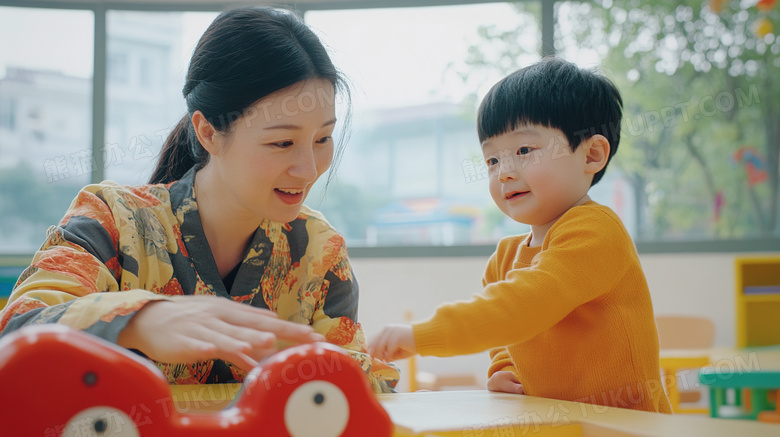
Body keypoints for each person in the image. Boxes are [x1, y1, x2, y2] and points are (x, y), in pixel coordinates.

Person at [0, 6, 398, 393]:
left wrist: (321, 369)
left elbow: (360, 391)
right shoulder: (112, 221)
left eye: (322, 139)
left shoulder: (319, 251)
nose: (309, 169)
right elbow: (17, 332)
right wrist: (139, 320)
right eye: (282, 142)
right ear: (208, 133)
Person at [369, 57, 671, 412]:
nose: (504, 173)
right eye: (492, 161)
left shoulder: (596, 231)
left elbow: (522, 306)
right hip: (556, 423)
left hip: (626, 425)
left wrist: (424, 334)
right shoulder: (505, 258)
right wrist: (503, 368)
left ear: (591, 154)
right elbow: (505, 332)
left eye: (524, 151)